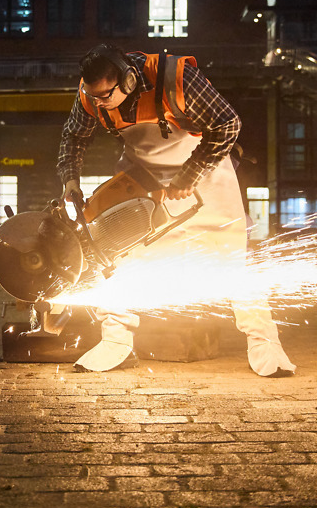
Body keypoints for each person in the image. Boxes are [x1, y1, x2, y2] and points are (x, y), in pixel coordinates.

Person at [56, 44, 296, 377]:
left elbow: (227, 123)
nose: (99, 103)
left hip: (206, 173)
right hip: (142, 175)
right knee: (117, 256)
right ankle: (116, 342)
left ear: (127, 80)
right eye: (94, 97)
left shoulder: (175, 77)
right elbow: (73, 137)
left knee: (230, 262)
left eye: (106, 96)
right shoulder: (90, 93)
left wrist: (190, 173)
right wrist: (70, 181)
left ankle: (265, 345)